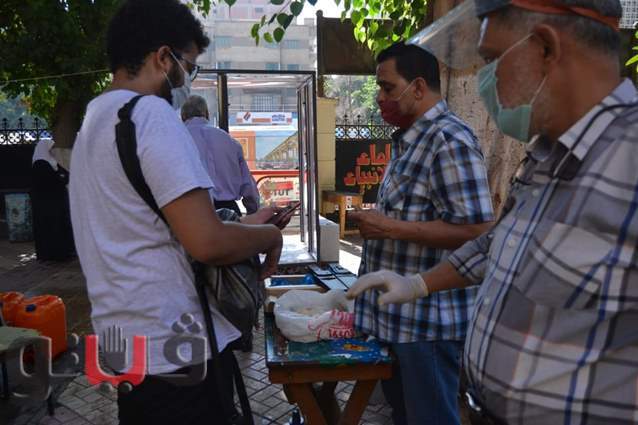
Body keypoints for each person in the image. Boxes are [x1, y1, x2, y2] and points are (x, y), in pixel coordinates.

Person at [347, 1, 638, 424]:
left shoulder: (629, 160)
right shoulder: (545, 154)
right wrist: (418, 284)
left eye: (491, 60)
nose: (487, 81)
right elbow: (496, 241)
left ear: (545, 47)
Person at [69, 1, 283, 423]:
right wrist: (270, 236)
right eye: (189, 67)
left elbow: (147, 228)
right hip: (177, 349)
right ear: (163, 57)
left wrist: (241, 224)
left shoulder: (93, 121)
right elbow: (207, 242)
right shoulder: (149, 114)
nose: (186, 81)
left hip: (127, 347)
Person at [347, 42, 495, 425]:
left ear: (417, 87)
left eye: (388, 88)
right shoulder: (410, 139)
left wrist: (390, 227)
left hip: (429, 325)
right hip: (399, 320)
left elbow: (478, 230)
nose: (380, 98)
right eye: (379, 88)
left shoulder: (448, 141)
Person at [181, 95, 260, 216]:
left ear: (183, 116)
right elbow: (248, 185)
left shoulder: (177, 140)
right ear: (207, 114)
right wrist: (252, 211)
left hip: (192, 213)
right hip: (229, 211)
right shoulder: (229, 141)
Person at [31, 138, 75, 261]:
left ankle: (62, 253)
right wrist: (61, 178)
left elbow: (65, 175)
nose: (52, 150)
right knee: (50, 228)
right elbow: (53, 182)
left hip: (56, 202)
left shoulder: (52, 162)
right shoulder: (40, 163)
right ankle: (53, 255)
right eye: (50, 148)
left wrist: (61, 178)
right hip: (47, 204)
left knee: (59, 227)